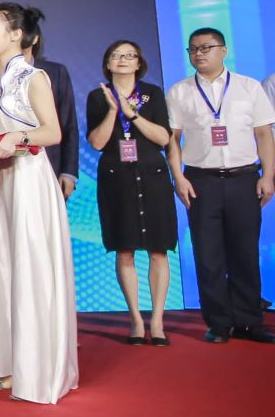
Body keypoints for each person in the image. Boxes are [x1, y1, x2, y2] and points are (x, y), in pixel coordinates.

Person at [0, 3, 79, 404]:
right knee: (0, 270)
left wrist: (16, 139)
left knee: (30, 271)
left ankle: (38, 370)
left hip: (30, 180)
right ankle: (8, 364)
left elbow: (52, 133)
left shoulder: (35, 77)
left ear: (16, 34)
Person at [166, 27, 275, 344]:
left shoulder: (249, 87)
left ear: (223, 50)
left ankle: (249, 321)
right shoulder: (180, 92)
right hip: (201, 180)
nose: (198, 54)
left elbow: (264, 134)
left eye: (206, 47)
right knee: (207, 254)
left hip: (244, 178)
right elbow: (172, 140)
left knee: (245, 252)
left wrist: (268, 175)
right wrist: (179, 178)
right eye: (193, 49)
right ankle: (218, 322)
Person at [85, 40, 176, 346]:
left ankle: (158, 321)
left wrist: (132, 115)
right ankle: (136, 319)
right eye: (116, 55)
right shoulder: (98, 96)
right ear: (107, 63)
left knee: (158, 249)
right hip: (117, 178)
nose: (122, 60)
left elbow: (163, 138)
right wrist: (114, 112)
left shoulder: (153, 94)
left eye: (129, 55)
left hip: (152, 176)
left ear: (139, 63)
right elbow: (97, 143)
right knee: (124, 248)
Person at [0, 21, 80, 199]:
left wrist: (69, 172)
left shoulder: (53, 72)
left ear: (33, 38)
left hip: (42, 165)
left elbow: (68, 124)